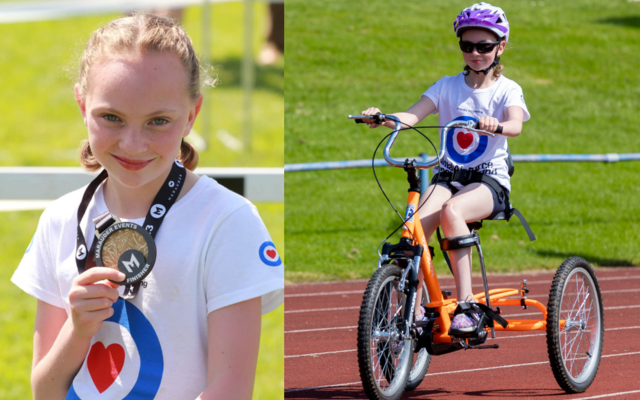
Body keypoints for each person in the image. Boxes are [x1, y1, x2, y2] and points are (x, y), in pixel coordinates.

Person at [11, 14, 283, 400]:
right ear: (81, 104)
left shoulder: (227, 221)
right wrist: (78, 329)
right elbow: (45, 390)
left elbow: (232, 388)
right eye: (111, 118)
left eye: (158, 121)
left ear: (191, 115)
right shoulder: (60, 219)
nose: (133, 143)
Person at [361, 3, 529, 336]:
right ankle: (416, 310)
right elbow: (411, 116)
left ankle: (467, 306)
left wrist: (497, 126)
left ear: (501, 46)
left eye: (484, 46)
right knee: (414, 231)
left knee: (452, 212)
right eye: (467, 46)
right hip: (449, 177)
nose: (475, 53)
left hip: (488, 181)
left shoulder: (507, 89)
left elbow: (516, 125)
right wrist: (382, 118)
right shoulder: (447, 86)